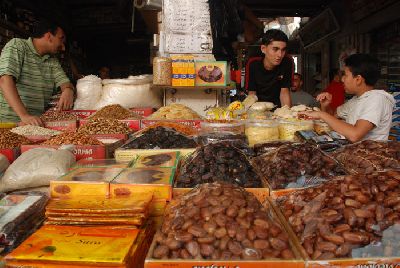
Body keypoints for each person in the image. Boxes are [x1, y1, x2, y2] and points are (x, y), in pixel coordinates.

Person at [300, 54, 395, 142]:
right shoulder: (356, 100)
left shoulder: (377, 99)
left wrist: (321, 114)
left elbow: (355, 134)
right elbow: (334, 119)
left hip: (369, 157)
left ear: (358, 79)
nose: (342, 79)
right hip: (352, 154)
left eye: (345, 75)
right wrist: (325, 106)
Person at [0, 19, 74, 126]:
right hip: (9, 124)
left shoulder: (52, 60)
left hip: (36, 125)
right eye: (61, 39)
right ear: (49, 36)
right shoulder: (18, 45)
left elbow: (64, 82)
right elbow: (4, 80)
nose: (63, 47)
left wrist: (68, 90)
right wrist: (25, 116)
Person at [247, 29, 292, 107]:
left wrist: (287, 115)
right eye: (275, 49)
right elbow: (252, 94)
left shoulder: (287, 62)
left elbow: (284, 92)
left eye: (283, 50)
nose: (280, 55)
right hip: (257, 107)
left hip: (278, 108)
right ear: (263, 49)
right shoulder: (253, 63)